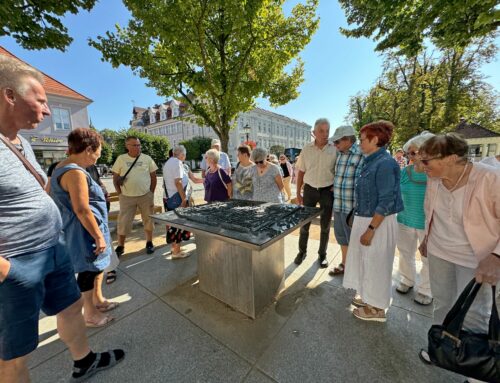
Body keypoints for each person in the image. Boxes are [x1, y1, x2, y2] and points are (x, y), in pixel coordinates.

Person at [0, 55, 124, 382]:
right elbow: (81, 208)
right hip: (17, 263)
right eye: (40, 100)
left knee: (71, 309)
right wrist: (6, 270)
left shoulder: (21, 143)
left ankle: (84, 361)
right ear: (9, 95)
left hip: (52, 250)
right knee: (12, 353)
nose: (46, 110)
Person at [417, 133, 500, 372]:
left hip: (476, 259)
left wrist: (495, 255)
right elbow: (429, 211)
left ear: (452, 158)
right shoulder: (434, 180)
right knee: (442, 303)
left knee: (475, 313)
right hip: (439, 252)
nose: (422, 167)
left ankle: (478, 367)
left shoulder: (490, 179)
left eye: (427, 161)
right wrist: (427, 238)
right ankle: (441, 350)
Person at [50, 128, 117, 327]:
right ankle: (90, 314)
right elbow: (82, 209)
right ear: (89, 149)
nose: (98, 157)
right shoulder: (74, 172)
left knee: (96, 268)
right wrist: (98, 236)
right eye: (98, 152)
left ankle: (98, 301)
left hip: (83, 230)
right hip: (84, 233)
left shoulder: (61, 168)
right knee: (88, 271)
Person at [342, 120, 403, 322]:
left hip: (378, 222)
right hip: (370, 219)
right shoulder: (372, 161)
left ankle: (376, 309)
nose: (359, 143)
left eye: (362, 140)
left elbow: (386, 200)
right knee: (367, 262)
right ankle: (369, 298)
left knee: (376, 265)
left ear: (375, 140)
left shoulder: (385, 163)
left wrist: (371, 228)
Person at [395, 131, 435, 306]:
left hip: (426, 224)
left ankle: (427, 290)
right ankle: (407, 279)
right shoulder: (405, 172)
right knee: (405, 253)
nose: (410, 156)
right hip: (404, 220)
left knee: (428, 258)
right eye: (408, 153)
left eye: (414, 152)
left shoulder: (434, 174)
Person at [294, 118, 337, 268]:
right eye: (321, 131)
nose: (325, 134)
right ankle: (301, 252)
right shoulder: (306, 149)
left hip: (327, 191)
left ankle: (322, 255)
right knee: (304, 224)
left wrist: (335, 185)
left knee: (325, 225)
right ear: (314, 133)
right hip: (310, 190)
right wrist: (299, 193)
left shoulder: (335, 149)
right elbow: (301, 172)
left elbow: (340, 170)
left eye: (327, 131)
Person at [112, 136, 158, 257]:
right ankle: (121, 245)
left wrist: (151, 193)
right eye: (135, 145)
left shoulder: (147, 159)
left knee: (148, 220)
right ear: (127, 146)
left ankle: (149, 242)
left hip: (145, 196)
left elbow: (153, 177)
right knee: (123, 222)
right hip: (126, 197)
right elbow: (115, 178)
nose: (138, 147)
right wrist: (120, 193)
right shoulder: (121, 159)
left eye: (139, 145)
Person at [328, 125, 364, 277]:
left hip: (353, 207)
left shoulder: (363, 154)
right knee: (342, 237)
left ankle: (356, 270)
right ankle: (345, 264)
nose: (335, 145)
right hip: (339, 204)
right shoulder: (340, 154)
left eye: (337, 142)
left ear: (348, 140)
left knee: (355, 240)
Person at [163, 145, 203, 258]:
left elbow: (192, 179)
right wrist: (184, 198)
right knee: (177, 224)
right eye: (184, 155)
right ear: (181, 154)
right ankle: (176, 252)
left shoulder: (170, 162)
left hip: (171, 197)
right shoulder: (177, 163)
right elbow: (178, 182)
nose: (185, 157)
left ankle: (175, 248)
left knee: (174, 224)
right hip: (176, 199)